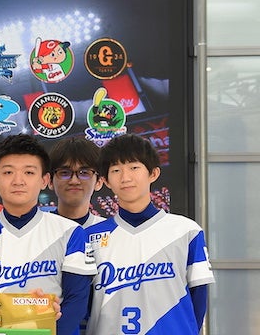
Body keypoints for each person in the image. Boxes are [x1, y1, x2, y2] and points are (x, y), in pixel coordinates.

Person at [0, 134, 94, 335]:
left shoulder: (70, 232)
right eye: (8, 172)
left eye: (29, 172)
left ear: (44, 180)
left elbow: (76, 303)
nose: (18, 181)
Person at [86, 134, 214, 335]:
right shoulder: (89, 237)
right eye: (116, 170)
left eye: (134, 167)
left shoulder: (186, 231)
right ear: (107, 181)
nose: (125, 177)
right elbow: (81, 303)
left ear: (153, 173)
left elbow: (199, 297)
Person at [48, 136, 105, 228]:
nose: (74, 181)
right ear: (50, 181)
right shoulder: (35, 231)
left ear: (99, 182)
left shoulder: (112, 232)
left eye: (84, 173)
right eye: (64, 173)